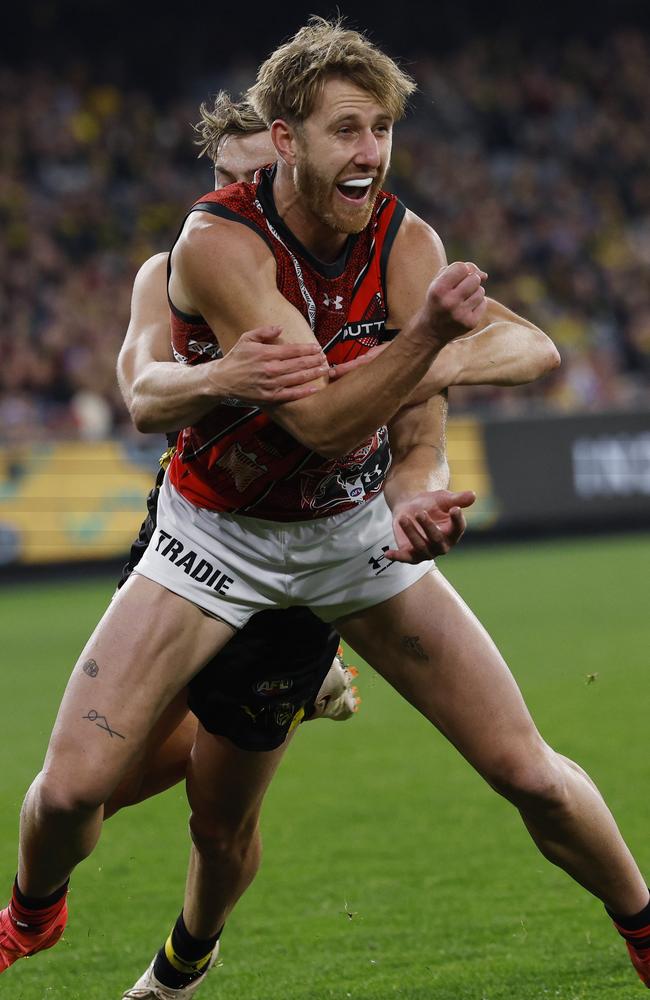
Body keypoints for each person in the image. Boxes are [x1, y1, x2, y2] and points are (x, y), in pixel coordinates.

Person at [2, 20, 641, 998]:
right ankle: (32, 912)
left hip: (348, 541)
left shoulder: (404, 236)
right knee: (74, 789)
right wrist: (420, 336)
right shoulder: (217, 243)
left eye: (380, 128)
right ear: (286, 140)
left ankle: (641, 924)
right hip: (212, 536)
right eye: (347, 129)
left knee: (524, 771)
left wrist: (416, 476)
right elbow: (324, 426)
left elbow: (529, 353)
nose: (370, 152)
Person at [108, 90, 559, 817]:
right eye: (228, 180)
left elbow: (530, 344)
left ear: (293, 161)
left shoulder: (370, 265)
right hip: (200, 525)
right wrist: (220, 375)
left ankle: (192, 931)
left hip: (323, 528)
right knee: (109, 778)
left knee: (222, 804)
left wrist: (411, 359)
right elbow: (143, 393)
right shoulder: (181, 267)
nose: (242, 199)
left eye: (257, 177)